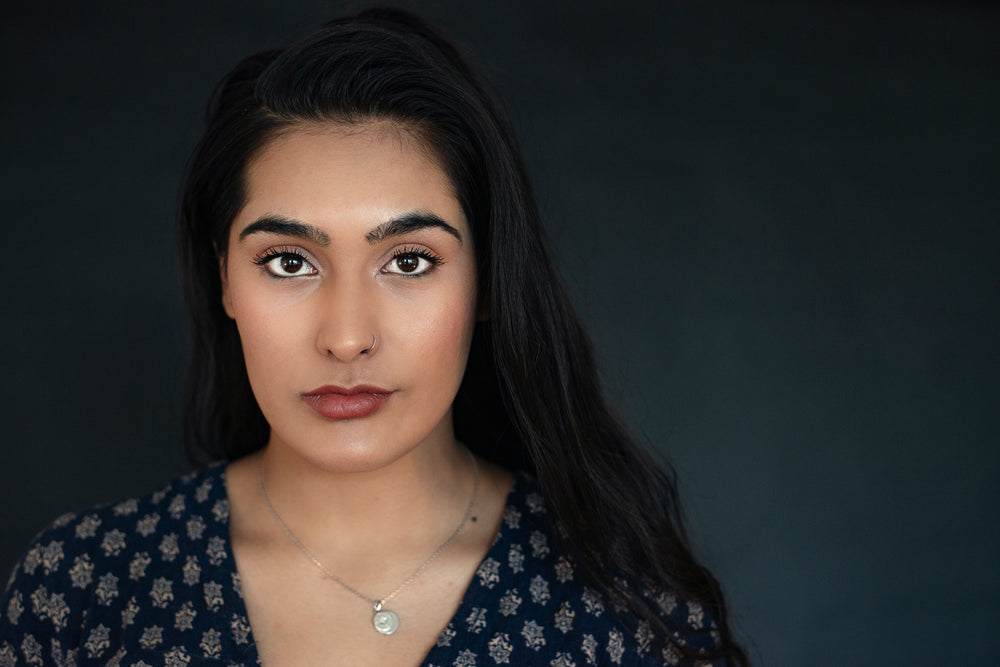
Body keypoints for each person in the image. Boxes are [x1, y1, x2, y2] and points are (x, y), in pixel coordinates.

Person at [1, 8, 748, 666]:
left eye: (410, 260)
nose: (348, 336)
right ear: (223, 278)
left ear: (486, 280)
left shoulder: (624, 608)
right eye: (288, 262)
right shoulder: (86, 587)